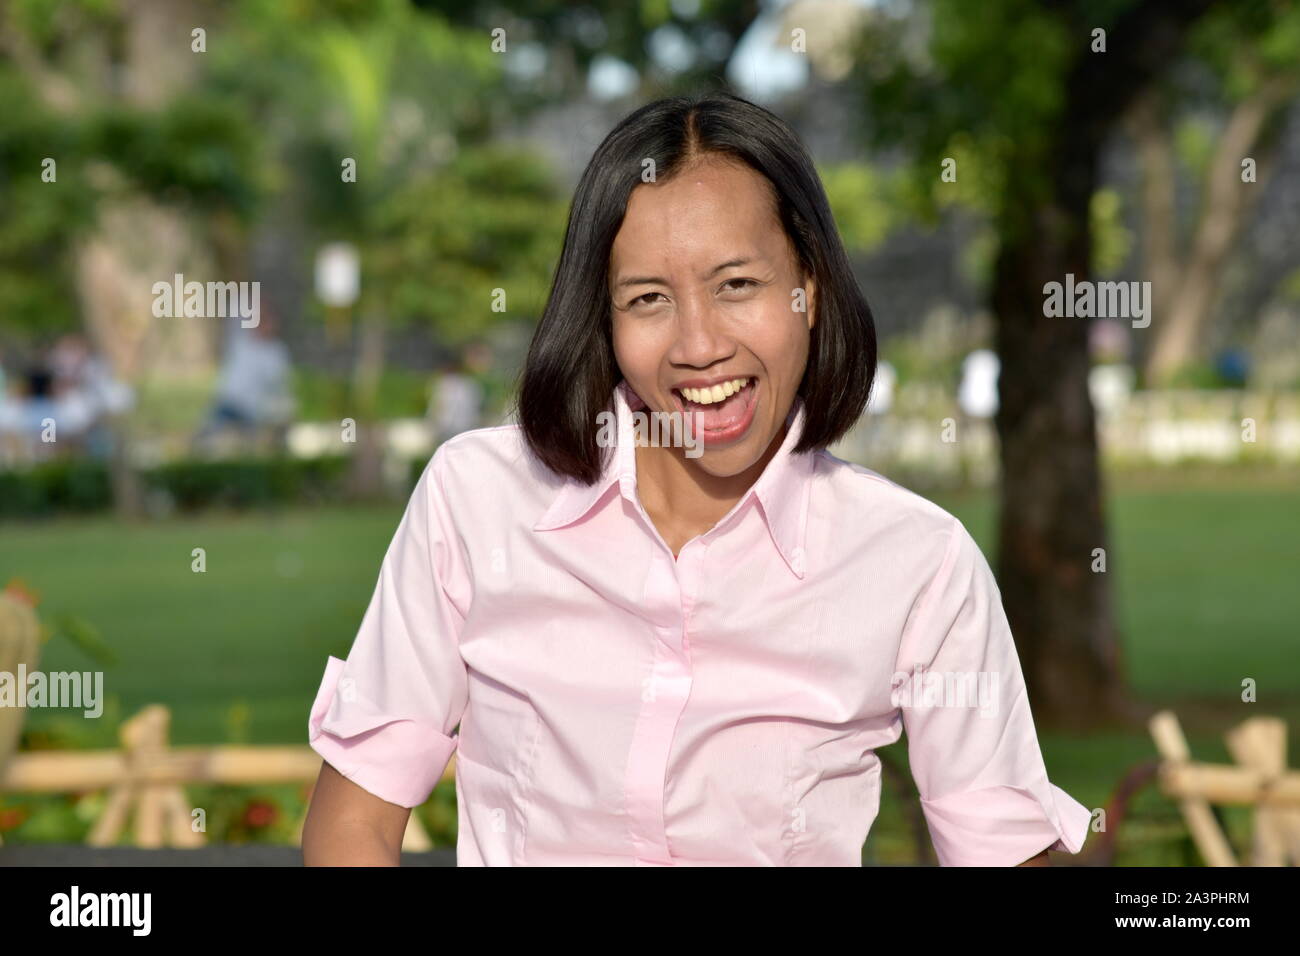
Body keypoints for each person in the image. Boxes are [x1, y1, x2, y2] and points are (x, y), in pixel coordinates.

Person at [302, 91, 1090, 867]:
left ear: (809, 288)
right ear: (603, 318)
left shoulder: (919, 565)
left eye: (736, 285)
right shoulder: (477, 501)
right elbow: (354, 824)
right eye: (648, 299)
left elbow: (1000, 849)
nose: (699, 346)